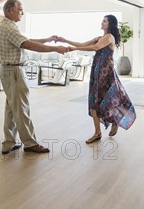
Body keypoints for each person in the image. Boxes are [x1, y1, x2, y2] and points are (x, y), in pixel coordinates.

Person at [0, 0, 68, 155]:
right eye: (20, 9)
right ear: (10, 10)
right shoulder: (8, 27)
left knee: (11, 108)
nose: (22, 12)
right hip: (14, 72)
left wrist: (47, 39)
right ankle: (30, 143)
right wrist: (55, 49)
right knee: (21, 108)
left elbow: (27, 40)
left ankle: (9, 143)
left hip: (8, 71)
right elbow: (28, 45)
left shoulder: (8, 26)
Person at [56, 15, 136, 143]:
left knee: (112, 99)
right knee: (94, 102)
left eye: (104, 21)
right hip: (96, 72)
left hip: (107, 74)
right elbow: (82, 44)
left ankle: (115, 121)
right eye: (102, 20)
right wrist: (65, 40)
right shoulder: (99, 38)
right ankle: (97, 133)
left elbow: (95, 48)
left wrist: (74, 49)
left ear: (110, 24)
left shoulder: (109, 37)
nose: (102, 22)